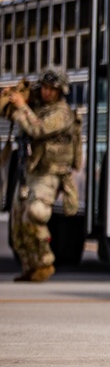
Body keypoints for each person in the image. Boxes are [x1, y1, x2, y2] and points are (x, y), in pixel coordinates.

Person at [3, 68, 78, 282]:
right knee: (18, 221)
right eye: (44, 87)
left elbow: (39, 129)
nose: (47, 92)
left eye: (52, 89)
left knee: (36, 214)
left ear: (60, 91)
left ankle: (45, 262)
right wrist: (12, 95)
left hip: (49, 173)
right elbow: (13, 111)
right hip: (29, 170)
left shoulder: (62, 113)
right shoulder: (37, 105)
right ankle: (30, 266)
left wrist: (22, 106)